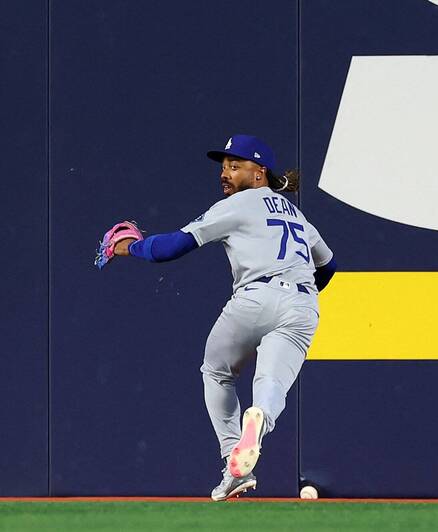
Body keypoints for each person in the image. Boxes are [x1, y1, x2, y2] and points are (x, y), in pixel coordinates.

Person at [110, 134, 336, 501]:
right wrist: (296, 296)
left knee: (216, 371)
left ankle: (233, 455)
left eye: (235, 165)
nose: (225, 173)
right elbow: (328, 266)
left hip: (256, 297)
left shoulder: (238, 205)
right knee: (271, 382)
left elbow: (171, 248)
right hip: (302, 304)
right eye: (224, 166)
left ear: (259, 172)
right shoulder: (297, 215)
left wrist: (130, 247)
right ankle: (258, 419)